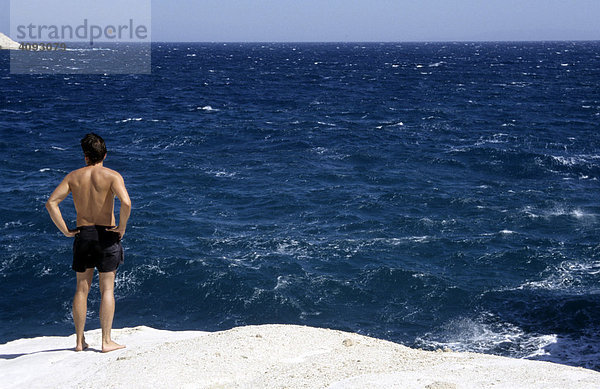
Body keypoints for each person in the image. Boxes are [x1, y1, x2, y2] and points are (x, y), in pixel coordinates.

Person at [46, 133, 131, 353]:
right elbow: (126, 202)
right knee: (107, 290)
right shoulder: (112, 176)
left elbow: (51, 203)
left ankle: (79, 341)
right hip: (107, 235)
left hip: (83, 235)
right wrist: (121, 227)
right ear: (105, 154)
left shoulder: (73, 177)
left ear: (85, 157)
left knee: (81, 289)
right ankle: (106, 341)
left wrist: (65, 230)